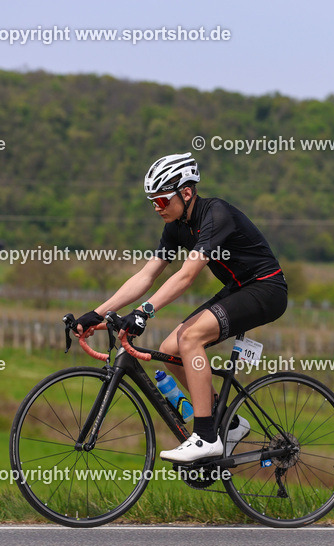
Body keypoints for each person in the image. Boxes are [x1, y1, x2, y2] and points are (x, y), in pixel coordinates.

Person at [72, 152, 288, 462]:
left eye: (161, 201)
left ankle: (205, 437)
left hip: (266, 289)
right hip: (239, 288)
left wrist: (144, 312)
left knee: (190, 338)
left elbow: (186, 276)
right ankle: (230, 422)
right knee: (171, 348)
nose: (157, 209)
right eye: (152, 203)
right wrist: (98, 312)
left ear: (186, 193)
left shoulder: (216, 214)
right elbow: (147, 275)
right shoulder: (176, 226)